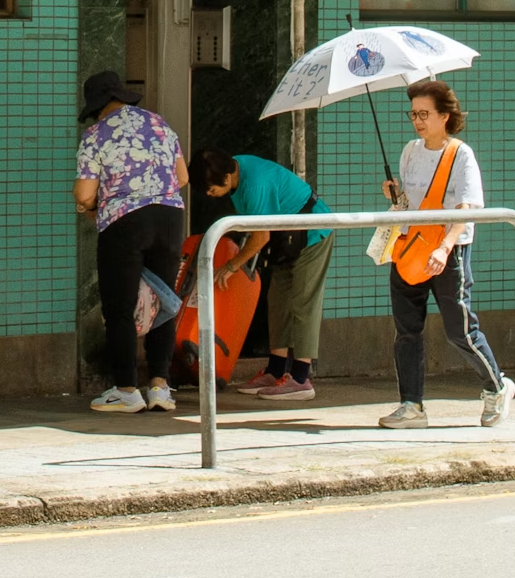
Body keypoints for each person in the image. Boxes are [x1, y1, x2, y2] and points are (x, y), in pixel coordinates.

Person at [378, 79, 515, 430]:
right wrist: (395, 194)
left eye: (424, 114)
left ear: (445, 116)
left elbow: (466, 207)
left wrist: (444, 247)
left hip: (448, 250)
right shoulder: (410, 150)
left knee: (460, 330)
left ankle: (496, 386)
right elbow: (409, 203)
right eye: (413, 114)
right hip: (409, 248)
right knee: (407, 330)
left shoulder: (460, 154)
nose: (417, 121)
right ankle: (411, 405)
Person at [73, 71, 188, 413]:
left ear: (96, 107)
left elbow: (84, 192)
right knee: (163, 303)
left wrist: (89, 206)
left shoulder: (96, 134)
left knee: (120, 307)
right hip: (169, 217)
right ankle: (160, 387)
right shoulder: (159, 124)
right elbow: (182, 176)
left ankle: (125, 389)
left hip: (124, 222)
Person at [188, 148, 334, 400]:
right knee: (277, 301)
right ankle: (276, 370)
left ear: (226, 178)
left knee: (302, 303)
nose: (209, 195)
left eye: (210, 189)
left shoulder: (254, 185)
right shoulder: (236, 169)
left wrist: (232, 265)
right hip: (286, 238)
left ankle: (300, 378)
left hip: (312, 233)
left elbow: (260, 236)